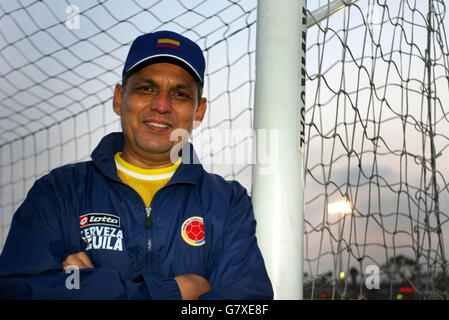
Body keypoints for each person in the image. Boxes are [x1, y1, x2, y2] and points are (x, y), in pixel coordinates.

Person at [0, 30, 273, 300]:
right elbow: (15, 291)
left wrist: (91, 288)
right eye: (146, 88)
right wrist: (172, 292)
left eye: (179, 94)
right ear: (119, 98)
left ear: (198, 111)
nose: (161, 105)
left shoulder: (227, 203)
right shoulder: (59, 193)